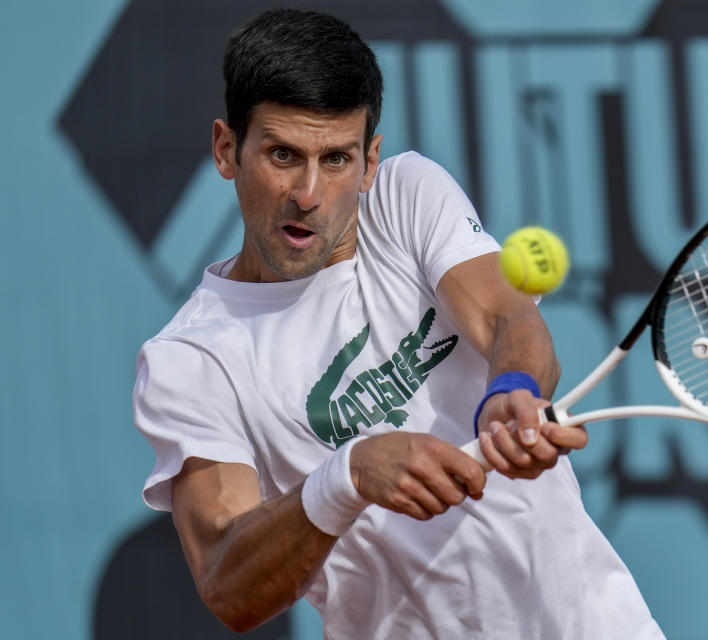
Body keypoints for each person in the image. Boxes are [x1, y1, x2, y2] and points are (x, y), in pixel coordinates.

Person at [133, 8, 665, 639]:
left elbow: (506, 314)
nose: (307, 192)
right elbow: (229, 584)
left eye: (336, 159)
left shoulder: (405, 197)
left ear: (370, 161)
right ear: (227, 150)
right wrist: (347, 476)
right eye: (282, 154)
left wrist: (512, 391)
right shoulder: (190, 361)